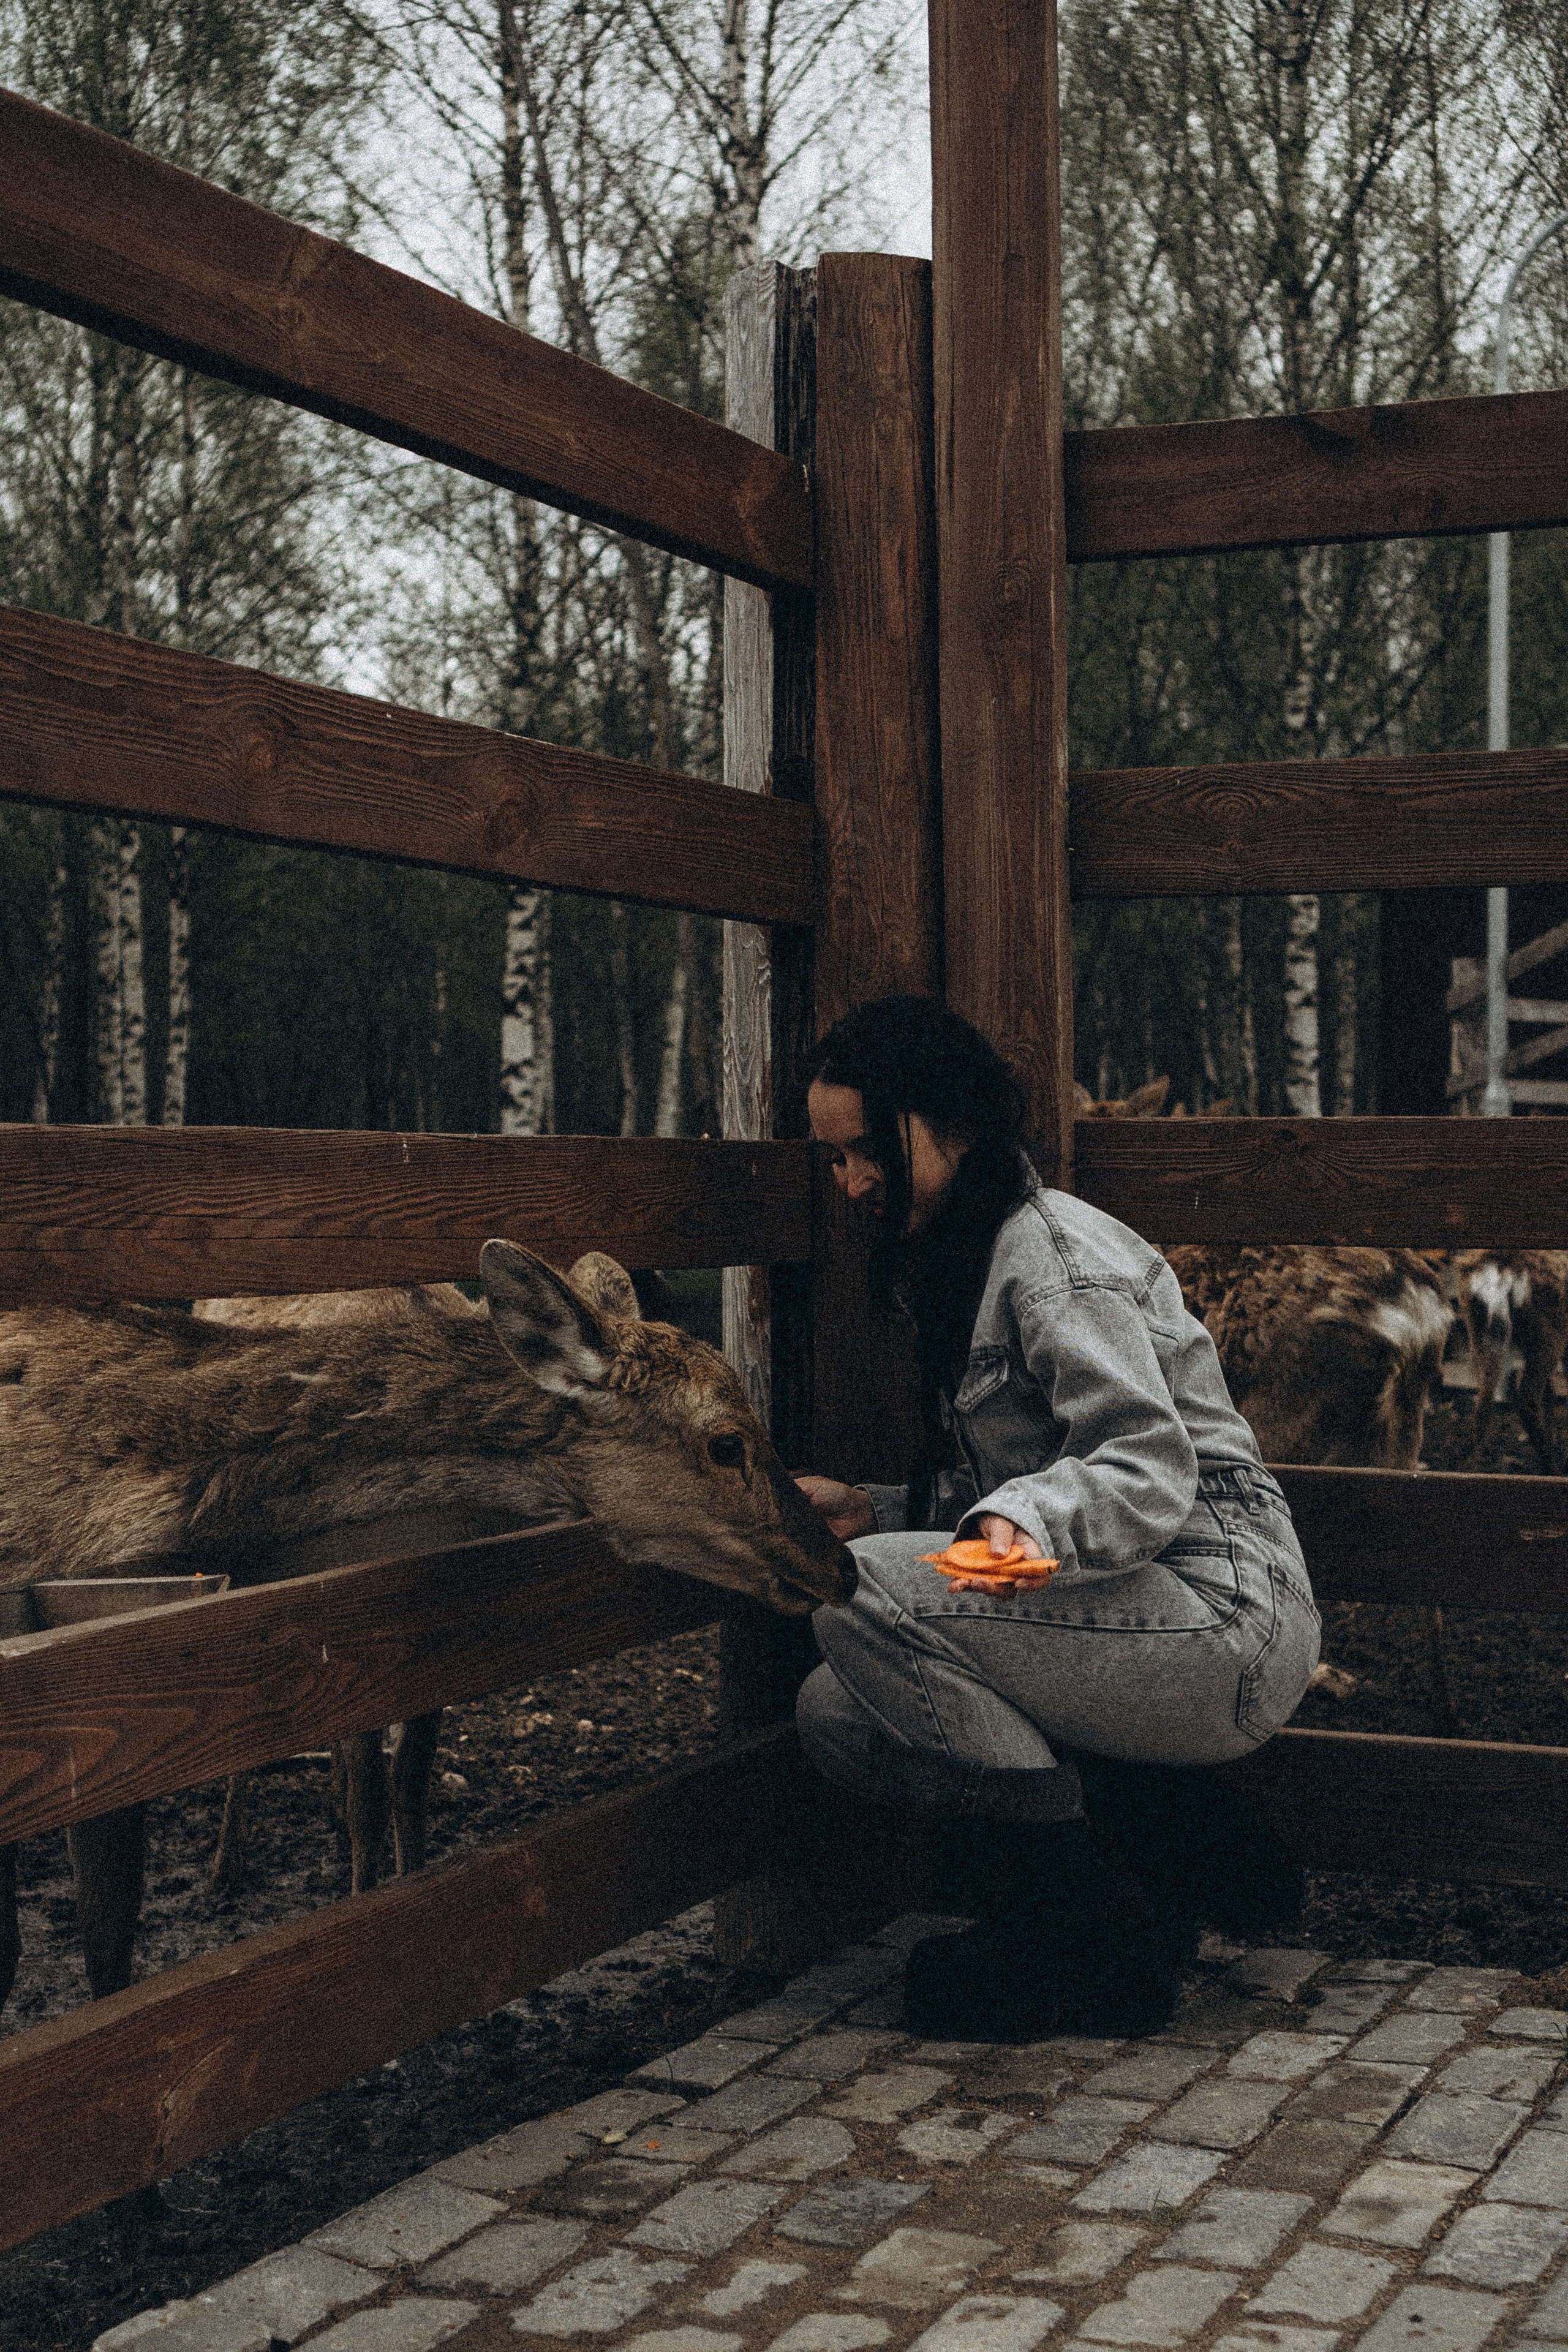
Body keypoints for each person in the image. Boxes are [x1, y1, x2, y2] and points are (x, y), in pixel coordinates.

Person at [793, 995, 1321, 2042]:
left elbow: (1143, 1466)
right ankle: (1165, 1844)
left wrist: (986, 1537)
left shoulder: (1054, 1260)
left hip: (1220, 1616)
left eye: (863, 1153)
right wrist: (883, 1511)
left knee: (854, 1601)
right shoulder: (967, 1257)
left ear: (951, 1124)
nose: (849, 1182)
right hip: (1137, 1610)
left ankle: (1086, 1933)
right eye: (835, 1161)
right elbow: (1034, 1498)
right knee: (837, 1709)